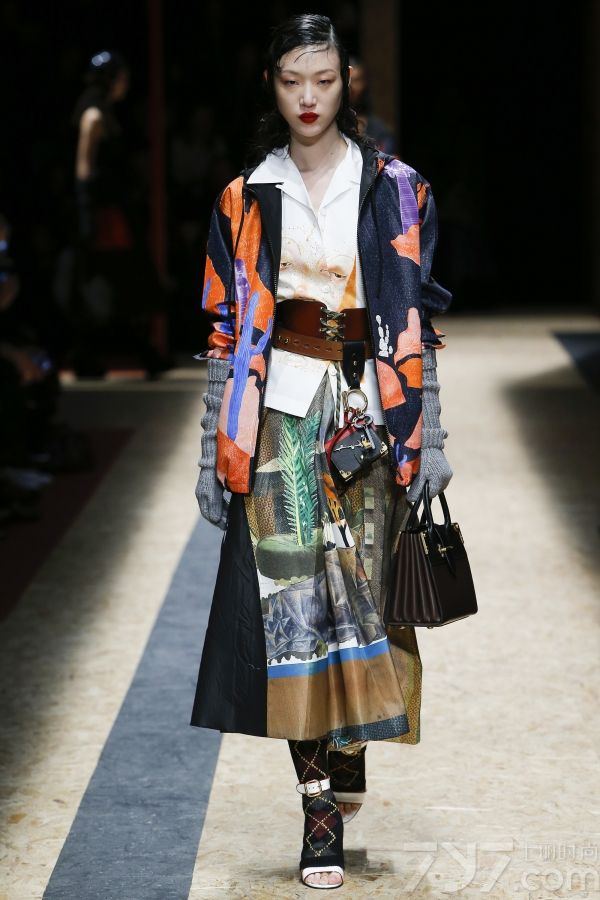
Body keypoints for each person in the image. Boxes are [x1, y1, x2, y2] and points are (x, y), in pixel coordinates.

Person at [191, 13, 452, 890]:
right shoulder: (244, 196)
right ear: (271, 84)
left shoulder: (398, 188)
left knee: (366, 605)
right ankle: (318, 815)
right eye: (291, 79)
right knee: (291, 612)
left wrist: (431, 434)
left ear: (348, 82)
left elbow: (417, 319)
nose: (308, 97)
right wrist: (211, 446)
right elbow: (226, 331)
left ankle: (345, 762)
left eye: (325, 79)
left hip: (369, 415)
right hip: (277, 423)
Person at [71, 50, 170, 378]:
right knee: (117, 284)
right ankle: (135, 354)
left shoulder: (104, 113)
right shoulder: (94, 116)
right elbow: (84, 170)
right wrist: (87, 219)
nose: (125, 84)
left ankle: (140, 354)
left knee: (122, 283)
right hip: (104, 217)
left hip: (110, 213)